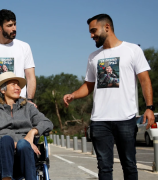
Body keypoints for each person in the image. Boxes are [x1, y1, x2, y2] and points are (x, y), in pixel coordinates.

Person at [63, 14, 155, 180]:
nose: (91, 35)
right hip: (100, 120)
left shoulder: (132, 50)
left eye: (93, 31)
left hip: (126, 118)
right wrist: (73, 95)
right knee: (104, 168)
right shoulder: (93, 57)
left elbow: (144, 80)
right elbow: (89, 85)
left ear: (107, 27)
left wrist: (149, 108)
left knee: (129, 164)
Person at [0, 72, 53, 180]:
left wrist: (32, 132)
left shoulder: (28, 108)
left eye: (18, 85)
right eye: (13, 84)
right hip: (1, 155)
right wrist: (15, 144)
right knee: (6, 140)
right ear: (3, 90)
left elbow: (48, 123)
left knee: (23, 145)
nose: (18, 88)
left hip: (26, 153)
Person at [0, 9, 36, 112]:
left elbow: (30, 77)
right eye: (9, 25)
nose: (14, 28)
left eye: (15, 24)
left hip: (20, 105)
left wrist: (30, 99)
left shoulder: (24, 47)